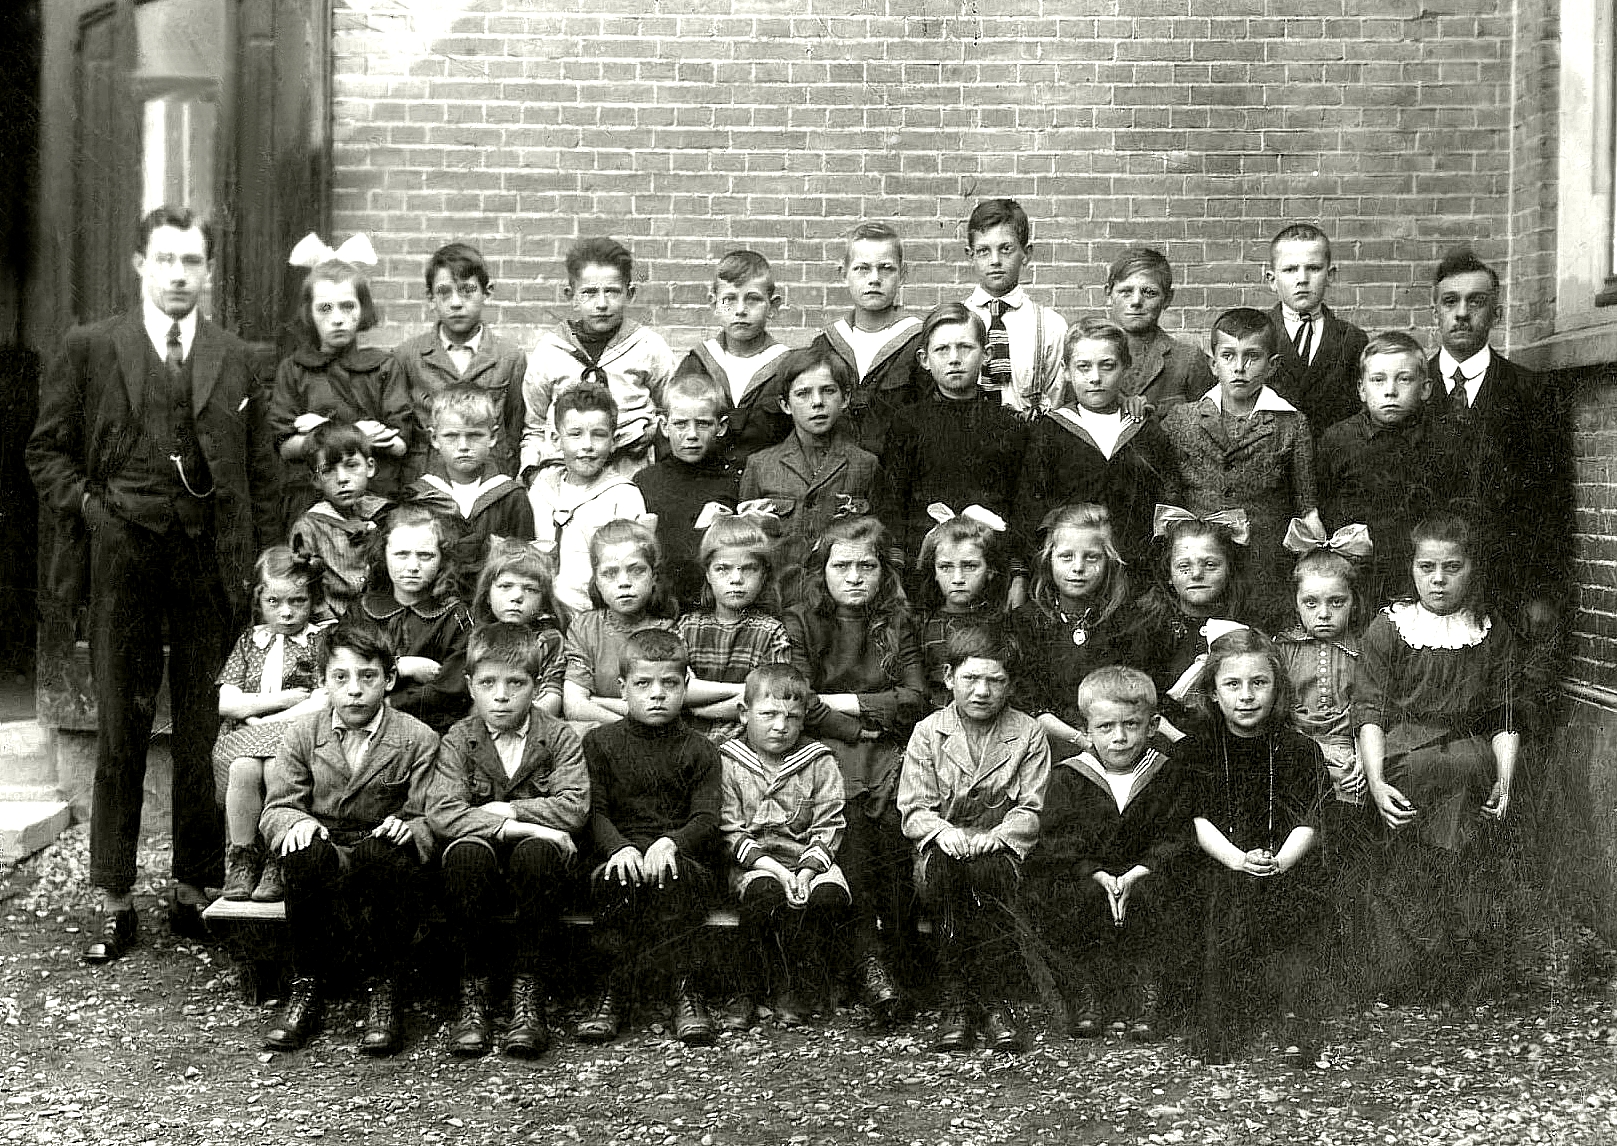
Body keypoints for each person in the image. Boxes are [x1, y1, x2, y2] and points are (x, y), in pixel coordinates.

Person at [28, 204, 281, 962]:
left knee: (204, 730)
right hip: (122, 560)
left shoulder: (236, 356)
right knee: (121, 729)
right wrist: (92, 512)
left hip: (207, 564)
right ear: (140, 264)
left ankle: (193, 889)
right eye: (165, 259)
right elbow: (47, 452)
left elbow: (261, 470)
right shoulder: (91, 346)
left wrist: (260, 559)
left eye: (191, 261)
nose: (178, 274)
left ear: (209, 271)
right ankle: (113, 897)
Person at [1356, 513, 1526, 1002]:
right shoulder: (1391, 629)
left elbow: (1505, 715)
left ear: (1472, 569)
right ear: (1411, 568)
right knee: (1431, 784)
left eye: (1452, 567)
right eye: (1426, 567)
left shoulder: (1490, 631)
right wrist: (1375, 781)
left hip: (1469, 752)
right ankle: (1426, 964)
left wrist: (1506, 779)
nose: (1438, 580)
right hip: (1404, 754)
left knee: (1465, 774)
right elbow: (1369, 711)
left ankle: (1452, 966)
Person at [260, 619, 441, 1056]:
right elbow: (277, 806)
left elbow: (431, 813)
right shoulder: (303, 733)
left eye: (368, 677)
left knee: (385, 855)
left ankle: (385, 987)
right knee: (302, 855)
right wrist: (294, 823)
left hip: (380, 848)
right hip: (328, 844)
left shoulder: (417, 738)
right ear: (324, 682)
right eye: (340, 678)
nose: (354, 690)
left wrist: (410, 827)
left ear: (390, 679)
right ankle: (306, 984)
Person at [783, 515, 926, 1020]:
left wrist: (845, 703)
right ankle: (869, 962)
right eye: (841, 566)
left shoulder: (898, 622)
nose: (854, 577)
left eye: (867, 566)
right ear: (821, 570)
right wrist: (856, 723)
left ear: (884, 572)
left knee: (892, 831)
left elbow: (915, 699)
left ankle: (901, 962)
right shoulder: (801, 621)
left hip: (885, 748)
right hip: (825, 749)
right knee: (851, 833)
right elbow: (797, 699)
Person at [426, 622, 590, 1058]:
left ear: (536, 686)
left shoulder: (558, 736)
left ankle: (528, 996)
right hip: (479, 865)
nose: (501, 696)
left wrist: (511, 810)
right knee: (465, 855)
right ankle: (474, 995)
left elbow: (573, 806)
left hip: (536, 871)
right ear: (470, 686)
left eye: (515, 683)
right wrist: (525, 824)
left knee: (538, 855)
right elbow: (442, 811)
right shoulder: (459, 739)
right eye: (488, 683)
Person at [897, 626, 1050, 1053]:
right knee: (945, 877)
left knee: (987, 876)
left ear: (1010, 685)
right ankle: (958, 1001)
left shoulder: (1028, 732)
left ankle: (996, 1001)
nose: (982, 691)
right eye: (971, 678)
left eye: (995, 680)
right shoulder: (929, 732)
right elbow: (914, 807)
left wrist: (998, 836)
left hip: (1000, 849)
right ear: (949, 677)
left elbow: (1032, 807)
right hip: (944, 847)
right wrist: (943, 832)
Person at [1183, 627, 1330, 1066]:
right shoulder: (1197, 749)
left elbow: (1310, 819)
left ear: (1277, 688)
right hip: (1220, 859)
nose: (1246, 696)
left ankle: (1295, 1018)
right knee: (1223, 898)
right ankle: (1219, 1022)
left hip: (1285, 860)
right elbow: (1196, 818)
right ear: (1213, 693)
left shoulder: (1300, 749)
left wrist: (1279, 861)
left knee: (1297, 902)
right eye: (1232, 684)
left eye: (1259, 683)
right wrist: (1237, 860)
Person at [1024, 666, 1191, 1042]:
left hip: (1145, 874)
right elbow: (1058, 840)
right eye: (1105, 727)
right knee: (1060, 894)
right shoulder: (1070, 776)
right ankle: (1088, 993)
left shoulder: (1166, 774)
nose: (1119, 737)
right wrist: (1096, 873)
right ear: (1086, 730)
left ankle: (1151, 995)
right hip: (1090, 875)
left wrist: (1141, 870)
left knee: (1169, 893)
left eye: (1131, 725)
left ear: (1153, 726)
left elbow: (1177, 834)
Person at [577, 629, 723, 1046]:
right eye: (643, 684)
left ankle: (685, 990)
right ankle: (612, 990)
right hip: (617, 852)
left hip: (679, 856)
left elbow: (706, 816)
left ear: (685, 685)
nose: (657, 694)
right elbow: (594, 812)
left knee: (672, 875)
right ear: (623, 688)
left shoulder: (700, 748)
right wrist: (619, 847)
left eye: (669, 683)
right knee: (616, 878)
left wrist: (672, 842)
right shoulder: (600, 743)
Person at [1426, 248, 1573, 642]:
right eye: (1450, 301)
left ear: (1497, 313)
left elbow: (1552, 502)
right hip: (1426, 592)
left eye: (1476, 302)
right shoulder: (1410, 391)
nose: (1462, 313)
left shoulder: (1533, 392)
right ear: (1434, 312)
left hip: (1507, 589)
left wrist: (1542, 592)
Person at [1160, 306, 1322, 628]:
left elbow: (1306, 503)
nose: (1239, 368)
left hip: (1263, 564)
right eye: (1228, 356)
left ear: (1272, 365)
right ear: (1213, 363)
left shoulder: (1290, 423)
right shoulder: (1182, 419)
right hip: (1201, 565)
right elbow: (1169, 493)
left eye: (1252, 357)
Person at [1315, 331, 1493, 608]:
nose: (1390, 391)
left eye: (1404, 379)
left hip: (1426, 581)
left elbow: (1463, 514)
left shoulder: (1448, 440)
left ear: (1425, 388)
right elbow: (1324, 510)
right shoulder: (1338, 440)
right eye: (1378, 380)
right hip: (1356, 581)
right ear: (1361, 389)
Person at [718, 663, 849, 1028]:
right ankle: (748, 987)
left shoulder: (819, 761)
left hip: (808, 861)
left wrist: (805, 873)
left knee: (826, 896)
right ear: (744, 713)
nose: (780, 726)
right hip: (753, 864)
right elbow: (729, 829)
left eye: (792, 717)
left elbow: (829, 823)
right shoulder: (728, 761)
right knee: (765, 893)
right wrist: (775, 869)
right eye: (769, 714)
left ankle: (798, 987)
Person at [878, 302, 1028, 593]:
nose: (955, 359)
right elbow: (893, 504)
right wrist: (896, 574)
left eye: (965, 348)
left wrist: (1018, 573)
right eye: (942, 350)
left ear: (986, 355)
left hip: (991, 568)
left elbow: (1020, 506)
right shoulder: (908, 423)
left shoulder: (1008, 425)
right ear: (924, 359)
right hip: (924, 569)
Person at [1008, 504, 1172, 761]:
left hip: (1118, 744)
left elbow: (1139, 699)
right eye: (1066, 557)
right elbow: (1029, 703)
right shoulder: (1026, 622)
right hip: (1044, 743)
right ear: (1049, 560)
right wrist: (1080, 741)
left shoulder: (1130, 623)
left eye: (1091, 557)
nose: (1078, 567)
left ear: (1109, 561)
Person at [214, 547, 332, 903]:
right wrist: (282, 701)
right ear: (259, 600)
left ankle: (275, 855)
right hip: (244, 739)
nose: (286, 611)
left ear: (313, 600)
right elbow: (226, 702)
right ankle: (242, 856)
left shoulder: (321, 640)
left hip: (296, 735)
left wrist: (260, 719)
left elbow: (321, 700)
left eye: (297, 601)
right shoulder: (250, 642)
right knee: (244, 769)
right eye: (274, 601)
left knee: (277, 769)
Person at [1015, 319, 1179, 568]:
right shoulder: (1050, 431)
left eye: (1107, 366)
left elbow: (1169, 499)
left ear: (1126, 366)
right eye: (1083, 367)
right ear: (1066, 370)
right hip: (1072, 569)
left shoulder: (1145, 430)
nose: (1095, 378)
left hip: (1137, 568)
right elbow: (1030, 507)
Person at [271, 239, 412, 520]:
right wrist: (358, 433)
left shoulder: (383, 366)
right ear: (309, 313)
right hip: (311, 500)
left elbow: (399, 444)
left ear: (363, 309)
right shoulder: (294, 370)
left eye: (347, 306)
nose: (337, 318)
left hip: (375, 497)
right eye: (325, 308)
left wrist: (319, 431)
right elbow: (286, 447)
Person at [520, 236, 675, 480]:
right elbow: (535, 426)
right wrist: (531, 472)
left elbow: (674, 411)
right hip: (563, 475)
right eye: (589, 293)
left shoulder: (648, 346)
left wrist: (649, 431)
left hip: (631, 472)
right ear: (571, 295)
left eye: (612, 292)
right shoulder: (550, 351)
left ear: (629, 294)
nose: (602, 304)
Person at [739, 344, 883, 601]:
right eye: (803, 393)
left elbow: (880, 543)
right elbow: (744, 547)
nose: (817, 402)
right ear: (785, 404)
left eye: (828, 391)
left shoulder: (865, 465)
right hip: (779, 601)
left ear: (845, 398)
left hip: (841, 603)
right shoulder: (760, 466)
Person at [395, 241, 528, 479]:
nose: (456, 302)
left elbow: (514, 429)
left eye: (467, 290)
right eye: (444, 292)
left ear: (487, 292)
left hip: (489, 479)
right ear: (430, 297)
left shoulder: (509, 357)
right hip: (426, 482)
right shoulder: (407, 356)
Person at [527, 383, 652, 620]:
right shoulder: (541, 490)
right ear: (556, 439)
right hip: (542, 617)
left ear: (613, 441)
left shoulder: (623, 495)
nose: (587, 445)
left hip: (598, 617)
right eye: (575, 434)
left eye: (599, 435)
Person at [809, 222, 927, 458]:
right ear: (843, 273)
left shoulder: (919, 342)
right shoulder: (826, 345)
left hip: (898, 466)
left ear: (903, 274)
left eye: (886, 268)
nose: (874, 279)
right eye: (862, 268)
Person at [359, 504, 475, 733]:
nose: (413, 567)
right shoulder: (363, 610)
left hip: (431, 729)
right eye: (401, 555)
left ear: (442, 559)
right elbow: (346, 667)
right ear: (384, 555)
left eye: (425, 556)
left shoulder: (456, 616)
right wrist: (400, 666)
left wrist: (389, 705)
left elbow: (451, 688)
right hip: (361, 725)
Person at [676, 516, 793, 741]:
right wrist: (742, 690)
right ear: (708, 574)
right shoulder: (687, 627)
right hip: (685, 738)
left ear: (764, 575)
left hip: (744, 739)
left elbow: (769, 700)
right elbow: (674, 689)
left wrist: (699, 710)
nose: (736, 579)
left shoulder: (772, 632)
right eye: (723, 569)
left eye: (749, 569)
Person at [672, 249, 792, 469]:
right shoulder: (697, 363)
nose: (740, 310)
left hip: (767, 478)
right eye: (729, 299)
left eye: (753, 299)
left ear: (773, 307)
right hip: (702, 476)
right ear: (714, 305)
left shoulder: (787, 367)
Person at [633, 373, 744, 607]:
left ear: (721, 426)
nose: (692, 435)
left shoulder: (734, 482)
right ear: (664, 426)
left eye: (703, 424)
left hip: (713, 604)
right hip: (656, 604)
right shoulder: (646, 481)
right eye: (681, 424)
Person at [562, 519, 681, 726]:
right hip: (600, 732)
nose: (624, 582)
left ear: (653, 577)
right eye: (610, 573)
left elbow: (670, 705)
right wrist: (630, 729)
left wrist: (596, 701)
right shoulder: (585, 628)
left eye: (636, 570)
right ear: (597, 582)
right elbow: (575, 706)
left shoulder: (668, 630)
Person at [960, 198, 1069, 416]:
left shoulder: (1051, 326)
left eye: (1006, 249)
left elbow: (1056, 400)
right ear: (970, 256)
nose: (995, 260)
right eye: (983, 251)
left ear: (1026, 253)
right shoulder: (954, 323)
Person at [1263, 223, 1368, 439]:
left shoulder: (1352, 339)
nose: (1302, 279)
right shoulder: (1257, 335)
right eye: (1290, 269)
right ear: (1272, 280)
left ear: (1330, 275)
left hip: (1332, 453)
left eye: (1313, 268)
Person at [406, 384, 534, 559]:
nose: (463, 446)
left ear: (493, 437)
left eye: (474, 435)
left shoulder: (511, 496)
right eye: (451, 436)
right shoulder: (420, 495)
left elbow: (524, 560)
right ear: (434, 438)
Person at [911, 511, 1014, 710]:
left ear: (990, 570)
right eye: (946, 567)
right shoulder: (921, 624)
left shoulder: (1002, 624)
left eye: (970, 566)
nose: (958, 578)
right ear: (934, 572)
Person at [288, 422, 392, 618]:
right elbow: (303, 584)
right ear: (316, 480)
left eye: (351, 466)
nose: (342, 479)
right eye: (328, 470)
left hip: (386, 616)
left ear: (370, 467)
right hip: (335, 621)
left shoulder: (385, 514)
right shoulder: (309, 527)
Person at [1104, 246, 1215, 412]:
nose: (1136, 301)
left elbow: (1209, 420)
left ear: (1167, 298)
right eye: (1125, 291)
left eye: (1149, 292)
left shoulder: (1188, 360)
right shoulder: (1088, 357)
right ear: (1109, 294)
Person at [473, 537, 565, 717]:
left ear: (543, 601)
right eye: (505, 586)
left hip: (534, 722)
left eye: (530, 589)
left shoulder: (549, 640)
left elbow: (552, 698)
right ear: (487, 595)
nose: (517, 597)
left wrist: (512, 721)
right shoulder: (478, 636)